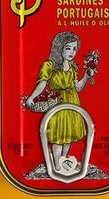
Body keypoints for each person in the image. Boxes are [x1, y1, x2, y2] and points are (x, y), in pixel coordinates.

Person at [24, 31, 96, 173]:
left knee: (68, 134)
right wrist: (31, 98)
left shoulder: (73, 67)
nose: (72, 52)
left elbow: (78, 87)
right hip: (57, 102)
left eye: (74, 48)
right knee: (57, 135)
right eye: (68, 48)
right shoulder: (49, 65)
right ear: (59, 47)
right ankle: (56, 164)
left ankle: (63, 161)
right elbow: (42, 84)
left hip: (73, 102)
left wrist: (87, 76)